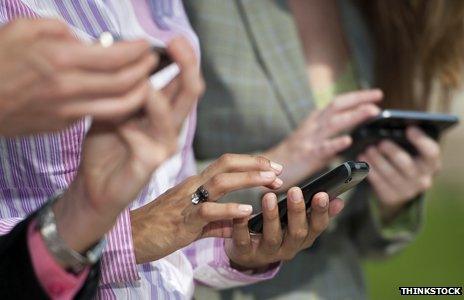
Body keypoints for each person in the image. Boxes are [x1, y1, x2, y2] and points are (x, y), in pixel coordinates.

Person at [0, 1, 344, 299]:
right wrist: (127, 236)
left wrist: (236, 249)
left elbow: (167, 224)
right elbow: (143, 228)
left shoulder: (163, 7)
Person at [185, 0, 461, 299]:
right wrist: (277, 164)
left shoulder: (376, 12)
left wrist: (393, 202)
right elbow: (148, 196)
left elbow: (364, 239)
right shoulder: (201, 9)